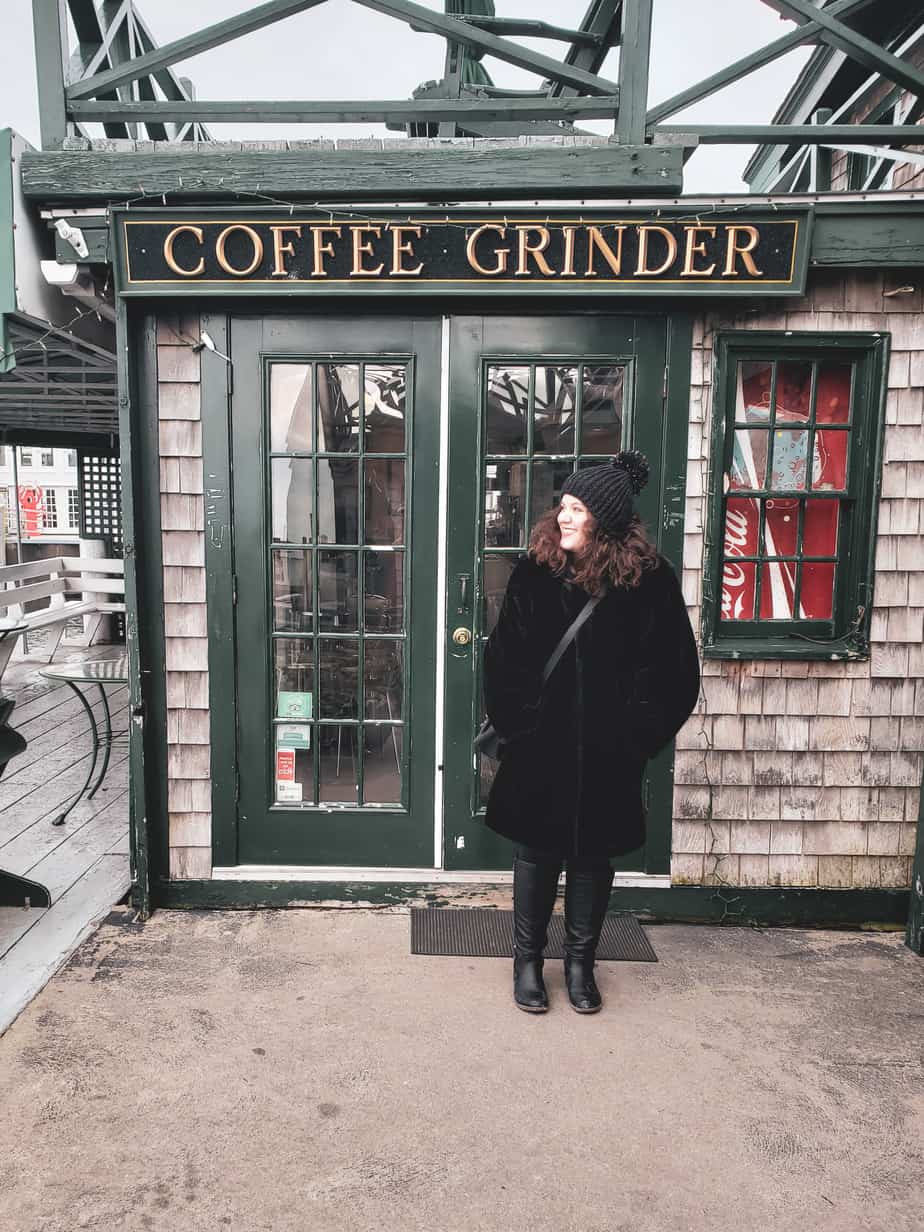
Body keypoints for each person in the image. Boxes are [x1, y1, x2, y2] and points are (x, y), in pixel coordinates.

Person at [482, 450, 700, 1014]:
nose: (563, 516)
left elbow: (677, 674)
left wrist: (634, 739)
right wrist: (521, 727)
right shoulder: (537, 570)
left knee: (592, 859)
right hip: (540, 747)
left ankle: (580, 964)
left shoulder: (649, 582)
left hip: (610, 753)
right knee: (536, 854)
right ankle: (526, 961)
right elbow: (504, 658)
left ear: (604, 520)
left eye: (577, 508)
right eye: (564, 505)